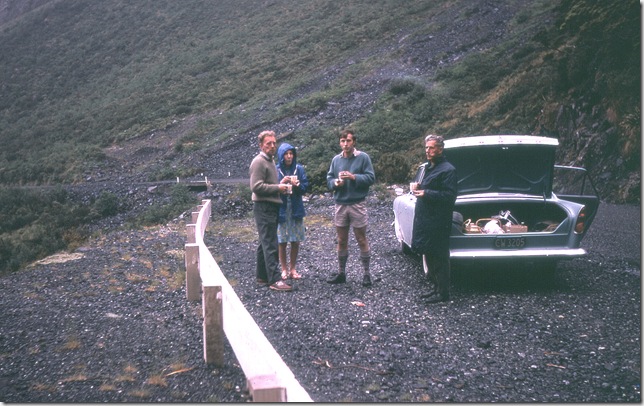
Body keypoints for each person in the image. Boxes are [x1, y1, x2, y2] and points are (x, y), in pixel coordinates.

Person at [326, 129, 376, 287]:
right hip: (340, 204)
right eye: (342, 141)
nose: (345, 144)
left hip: (357, 204)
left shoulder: (363, 157)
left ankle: (367, 274)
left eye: (348, 141)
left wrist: (354, 177)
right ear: (339, 142)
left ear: (354, 142)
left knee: (361, 238)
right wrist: (335, 183)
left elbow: (371, 177)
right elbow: (329, 178)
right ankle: (341, 273)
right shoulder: (336, 160)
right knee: (341, 240)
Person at [411, 134, 457, 303]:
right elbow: (429, 188)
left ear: (440, 149)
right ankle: (435, 288)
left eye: (431, 148)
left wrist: (426, 193)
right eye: (426, 148)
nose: (428, 151)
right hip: (426, 218)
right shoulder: (428, 168)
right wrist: (418, 187)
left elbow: (449, 196)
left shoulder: (448, 170)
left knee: (440, 256)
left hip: (438, 220)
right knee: (429, 253)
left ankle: (443, 293)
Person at [249, 130, 292, 292]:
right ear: (261, 145)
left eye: (274, 143)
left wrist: (281, 183)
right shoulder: (259, 162)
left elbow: (267, 183)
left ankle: (262, 276)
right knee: (270, 243)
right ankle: (274, 279)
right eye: (268, 143)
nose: (272, 146)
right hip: (264, 206)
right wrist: (278, 188)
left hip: (270, 205)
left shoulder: (270, 160)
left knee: (264, 242)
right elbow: (256, 186)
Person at [276, 142, 310, 280]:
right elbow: (272, 189)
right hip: (282, 208)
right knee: (282, 241)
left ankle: (293, 269)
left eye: (291, 154)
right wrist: (281, 183)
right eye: (286, 154)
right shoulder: (276, 170)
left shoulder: (299, 169)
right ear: (281, 156)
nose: (289, 156)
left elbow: (305, 187)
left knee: (295, 240)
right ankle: (284, 269)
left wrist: (297, 185)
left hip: (296, 208)